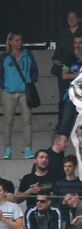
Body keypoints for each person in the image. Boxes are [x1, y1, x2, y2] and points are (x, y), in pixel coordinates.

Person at [1, 31, 38, 160]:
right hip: (9, 92)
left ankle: (28, 149)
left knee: (27, 121)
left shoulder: (28, 54)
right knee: (8, 121)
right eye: (16, 40)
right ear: (10, 41)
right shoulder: (4, 56)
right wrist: (5, 85)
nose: (19, 42)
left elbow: (34, 69)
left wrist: (31, 80)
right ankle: (7, 149)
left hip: (24, 92)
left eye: (21, 40)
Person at [56, 31, 82, 134]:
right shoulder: (68, 56)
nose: (78, 46)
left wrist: (81, 57)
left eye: (80, 43)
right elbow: (64, 75)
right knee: (65, 125)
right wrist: (79, 76)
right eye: (76, 43)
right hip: (72, 94)